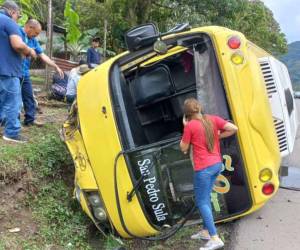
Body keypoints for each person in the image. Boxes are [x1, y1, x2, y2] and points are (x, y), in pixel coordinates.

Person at [180, 98, 238, 250]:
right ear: (200, 108)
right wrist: (218, 136)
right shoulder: (212, 119)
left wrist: (185, 127)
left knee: (202, 202)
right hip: (216, 165)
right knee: (205, 199)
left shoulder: (190, 126)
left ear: (186, 114)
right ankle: (206, 232)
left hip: (204, 169)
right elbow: (233, 128)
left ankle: (215, 238)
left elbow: (183, 147)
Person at [0, 1, 37, 143]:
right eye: (19, 15)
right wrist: (30, 51)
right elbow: (17, 44)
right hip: (6, 71)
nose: (18, 19)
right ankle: (12, 133)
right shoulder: (9, 22)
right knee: (13, 103)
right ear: (12, 12)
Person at [20, 19, 64, 127]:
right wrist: (28, 51)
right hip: (13, 72)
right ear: (30, 28)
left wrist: (55, 66)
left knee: (29, 96)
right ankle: (11, 122)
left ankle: (30, 120)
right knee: (13, 98)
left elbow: (42, 55)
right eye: (36, 33)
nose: (36, 36)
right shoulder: (17, 33)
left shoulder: (33, 40)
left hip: (25, 73)